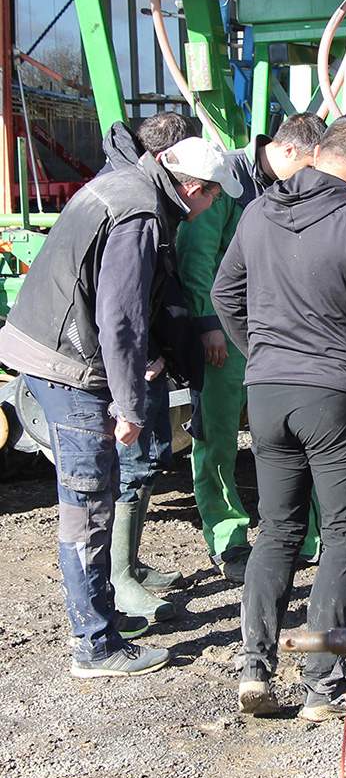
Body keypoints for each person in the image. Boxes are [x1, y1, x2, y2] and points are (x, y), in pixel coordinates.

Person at [211, 113, 346, 719]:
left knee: (277, 531)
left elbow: (223, 295)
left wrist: (264, 355)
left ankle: (254, 666)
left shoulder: (258, 210)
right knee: (345, 533)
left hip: (268, 396)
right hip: (336, 399)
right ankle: (322, 684)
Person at [0, 136, 241, 677]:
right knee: (88, 501)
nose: (210, 209)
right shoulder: (142, 214)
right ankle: (95, 644)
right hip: (65, 364)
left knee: (95, 494)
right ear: (194, 189)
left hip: (44, 346)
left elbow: (110, 292)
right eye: (212, 199)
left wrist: (151, 354)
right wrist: (130, 406)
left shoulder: (127, 184)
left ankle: (103, 617)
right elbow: (120, 316)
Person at [176, 112, 326, 583]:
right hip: (225, 334)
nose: (311, 179)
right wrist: (207, 325)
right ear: (283, 151)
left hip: (275, 333)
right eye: (307, 166)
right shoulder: (225, 185)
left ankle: (306, 535)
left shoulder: (284, 184)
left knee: (295, 434)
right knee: (217, 438)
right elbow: (195, 262)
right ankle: (228, 540)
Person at [101, 113, 201, 625]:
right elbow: (121, 303)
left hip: (147, 357)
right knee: (130, 468)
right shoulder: (136, 206)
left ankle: (129, 564)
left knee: (144, 465)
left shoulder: (141, 192)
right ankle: (117, 578)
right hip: (132, 364)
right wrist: (142, 359)